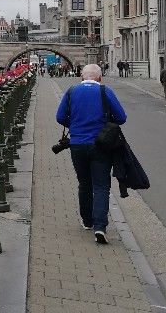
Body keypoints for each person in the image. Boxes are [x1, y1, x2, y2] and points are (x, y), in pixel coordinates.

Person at [56, 64, 127, 244]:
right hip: (100, 145)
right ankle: (100, 226)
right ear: (100, 78)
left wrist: (75, 125)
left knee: (84, 183)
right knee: (101, 186)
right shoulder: (105, 91)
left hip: (77, 145)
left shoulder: (71, 91)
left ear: (82, 77)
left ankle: (87, 221)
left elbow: (60, 117)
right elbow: (121, 118)